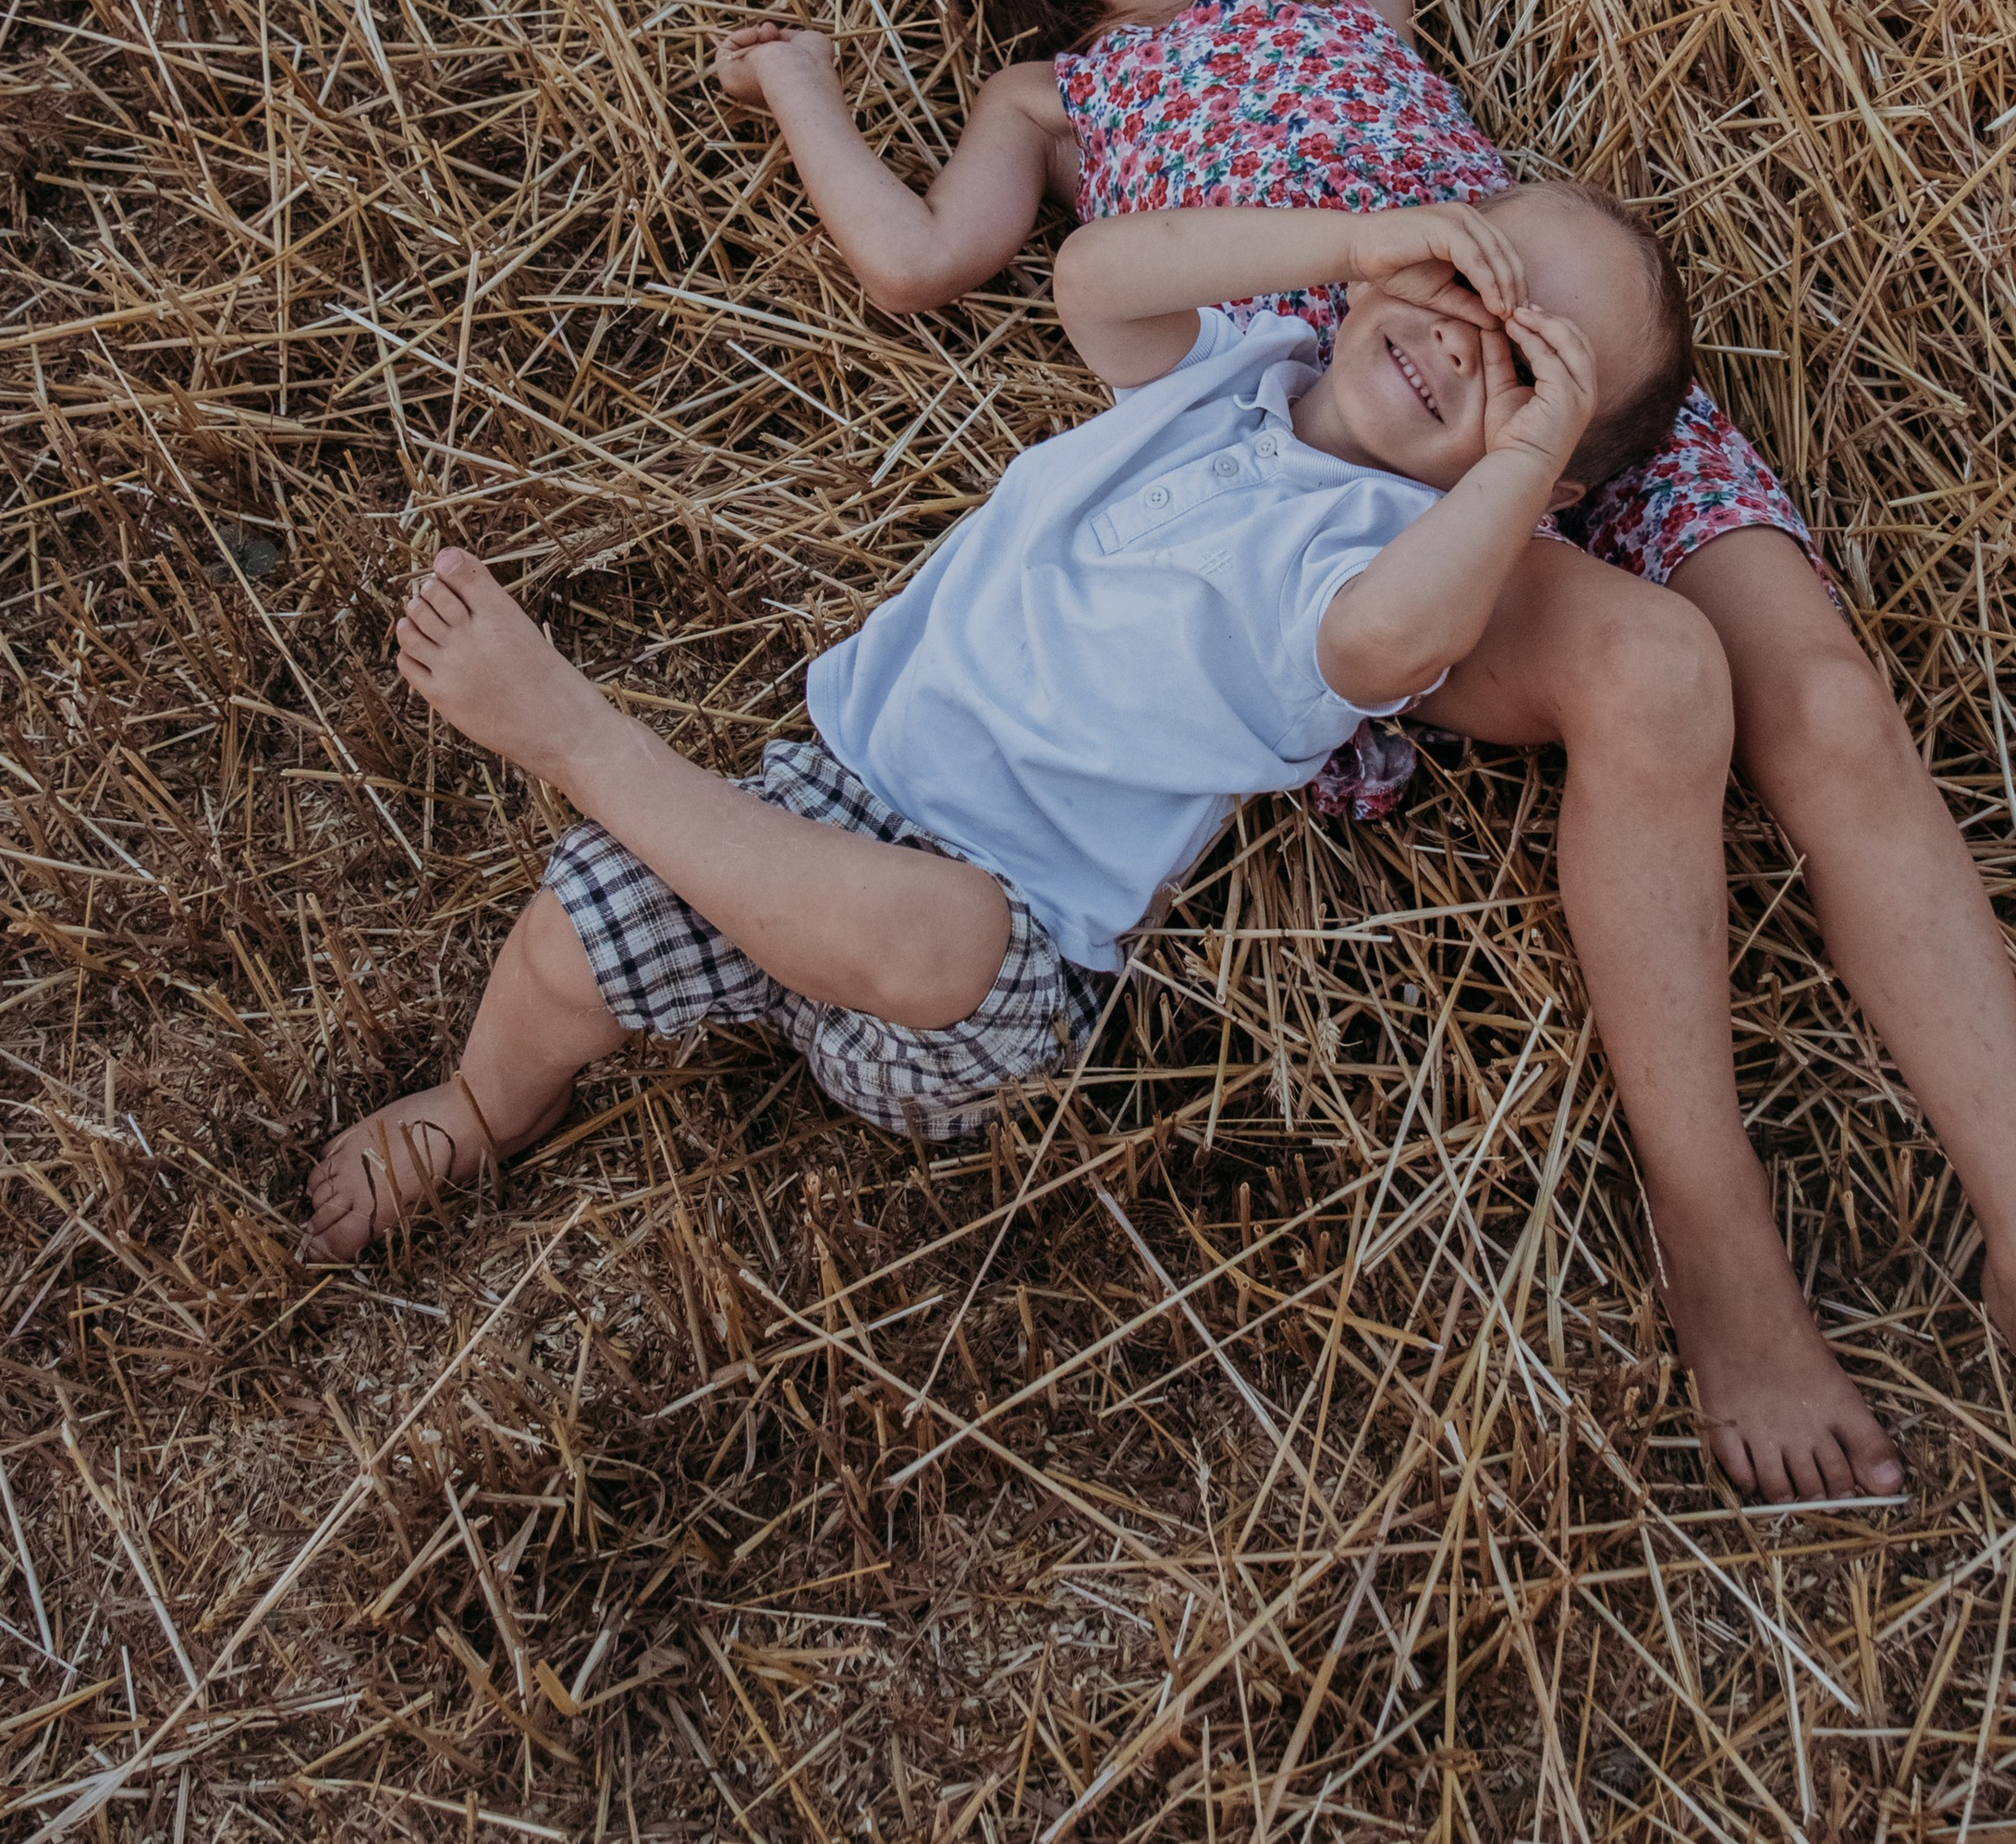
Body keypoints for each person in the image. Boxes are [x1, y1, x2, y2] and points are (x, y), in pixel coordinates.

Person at [709, 0, 2016, 1599]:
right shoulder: (1056, 95)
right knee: (1643, 669)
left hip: (1578, 359)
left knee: (1829, 710)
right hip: (1334, 445)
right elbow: (921, 259)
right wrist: (807, 94)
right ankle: (1715, 1237)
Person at [302, 186, 1667, 1258]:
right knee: (563, 942)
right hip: (821, 803)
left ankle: (588, 747)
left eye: (1529, 371)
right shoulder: (1241, 363)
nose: (1453, 342)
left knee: (925, 929)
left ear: (1534, 479)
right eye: (1473, 282)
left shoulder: (1390, 555)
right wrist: (1361, 241)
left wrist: (1523, 465)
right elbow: (1096, 279)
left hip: (990, 962)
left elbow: (1385, 643)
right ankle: (482, 1106)